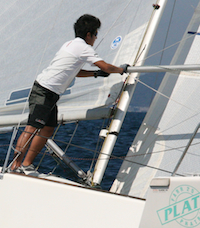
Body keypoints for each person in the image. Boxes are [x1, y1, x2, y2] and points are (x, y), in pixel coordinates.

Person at [8, 14, 128, 173]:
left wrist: (95, 74)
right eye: (95, 34)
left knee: (48, 129)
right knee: (32, 128)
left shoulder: (69, 44)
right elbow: (105, 66)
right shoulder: (83, 47)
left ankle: (26, 164)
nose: (96, 38)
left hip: (51, 94)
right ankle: (15, 166)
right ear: (88, 35)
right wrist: (121, 70)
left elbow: (75, 72)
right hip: (44, 91)